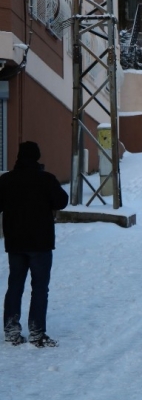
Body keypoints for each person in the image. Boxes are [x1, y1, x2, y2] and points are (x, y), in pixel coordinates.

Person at [0, 141, 69, 348]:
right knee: (39, 288)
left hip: (15, 242)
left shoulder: (6, 180)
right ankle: (37, 332)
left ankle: (11, 330)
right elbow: (61, 202)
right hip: (41, 243)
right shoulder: (46, 180)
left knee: (15, 285)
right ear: (37, 157)